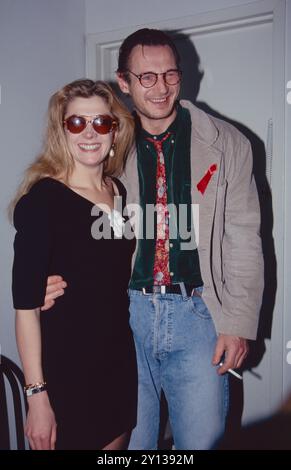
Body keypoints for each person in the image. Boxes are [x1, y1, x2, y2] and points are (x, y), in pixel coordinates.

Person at [42, 29, 264, 450]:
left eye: (169, 75)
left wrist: (239, 324)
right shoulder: (105, 145)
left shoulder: (229, 144)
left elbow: (243, 239)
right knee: (131, 445)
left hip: (200, 317)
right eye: (146, 77)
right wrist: (45, 272)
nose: (160, 88)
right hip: (122, 317)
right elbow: (60, 211)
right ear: (123, 82)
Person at [11, 79, 137, 450]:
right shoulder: (43, 201)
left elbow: (113, 272)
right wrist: (37, 397)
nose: (89, 133)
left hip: (116, 364)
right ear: (61, 131)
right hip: (66, 372)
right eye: (76, 123)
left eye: (101, 122)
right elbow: (25, 310)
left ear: (115, 131)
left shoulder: (118, 192)